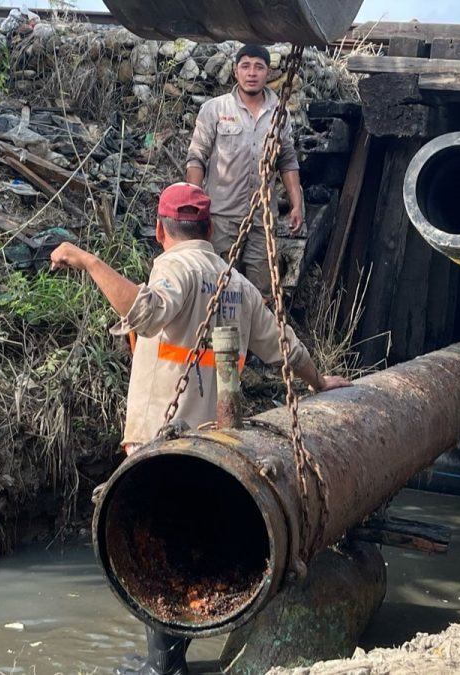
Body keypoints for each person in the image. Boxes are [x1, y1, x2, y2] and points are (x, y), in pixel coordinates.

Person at [50, 183, 351, 675]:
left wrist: (88, 261)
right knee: (181, 541)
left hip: (163, 435)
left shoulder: (175, 267)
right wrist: (320, 382)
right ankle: (166, 660)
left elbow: (145, 313)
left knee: (157, 545)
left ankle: (163, 667)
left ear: (160, 229)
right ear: (209, 229)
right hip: (215, 441)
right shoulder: (236, 283)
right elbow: (284, 346)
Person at [185, 44, 305, 298]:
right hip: (221, 219)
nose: (252, 73)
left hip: (262, 222)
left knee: (260, 294)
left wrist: (297, 204)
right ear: (235, 71)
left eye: (259, 67)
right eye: (245, 66)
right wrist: (193, 202)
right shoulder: (215, 109)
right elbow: (197, 157)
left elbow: (287, 160)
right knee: (217, 289)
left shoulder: (279, 114)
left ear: (268, 73)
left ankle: (255, 325)